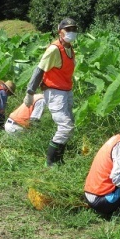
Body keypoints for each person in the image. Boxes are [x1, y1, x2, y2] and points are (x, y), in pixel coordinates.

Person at [23, 17, 77, 166]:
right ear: (60, 32)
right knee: (65, 126)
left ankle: (59, 160)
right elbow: (39, 69)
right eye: (68, 29)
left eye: (74, 29)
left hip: (66, 90)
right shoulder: (54, 49)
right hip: (55, 92)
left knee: (69, 126)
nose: (72, 32)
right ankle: (50, 162)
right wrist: (30, 92)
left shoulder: (70, 48)